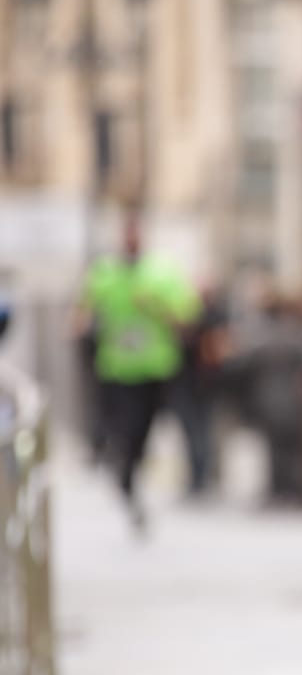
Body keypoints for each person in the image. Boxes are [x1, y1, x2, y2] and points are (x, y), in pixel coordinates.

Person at [74, 212, 202, 532]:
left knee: (143, 431)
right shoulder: (104, 273)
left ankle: (129, 473)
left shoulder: (162, 272)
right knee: (124, 428)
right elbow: (81, 312)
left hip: (154, 368)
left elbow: (188, 318)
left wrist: (156, 307)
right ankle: (123, 473)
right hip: (117, 368)